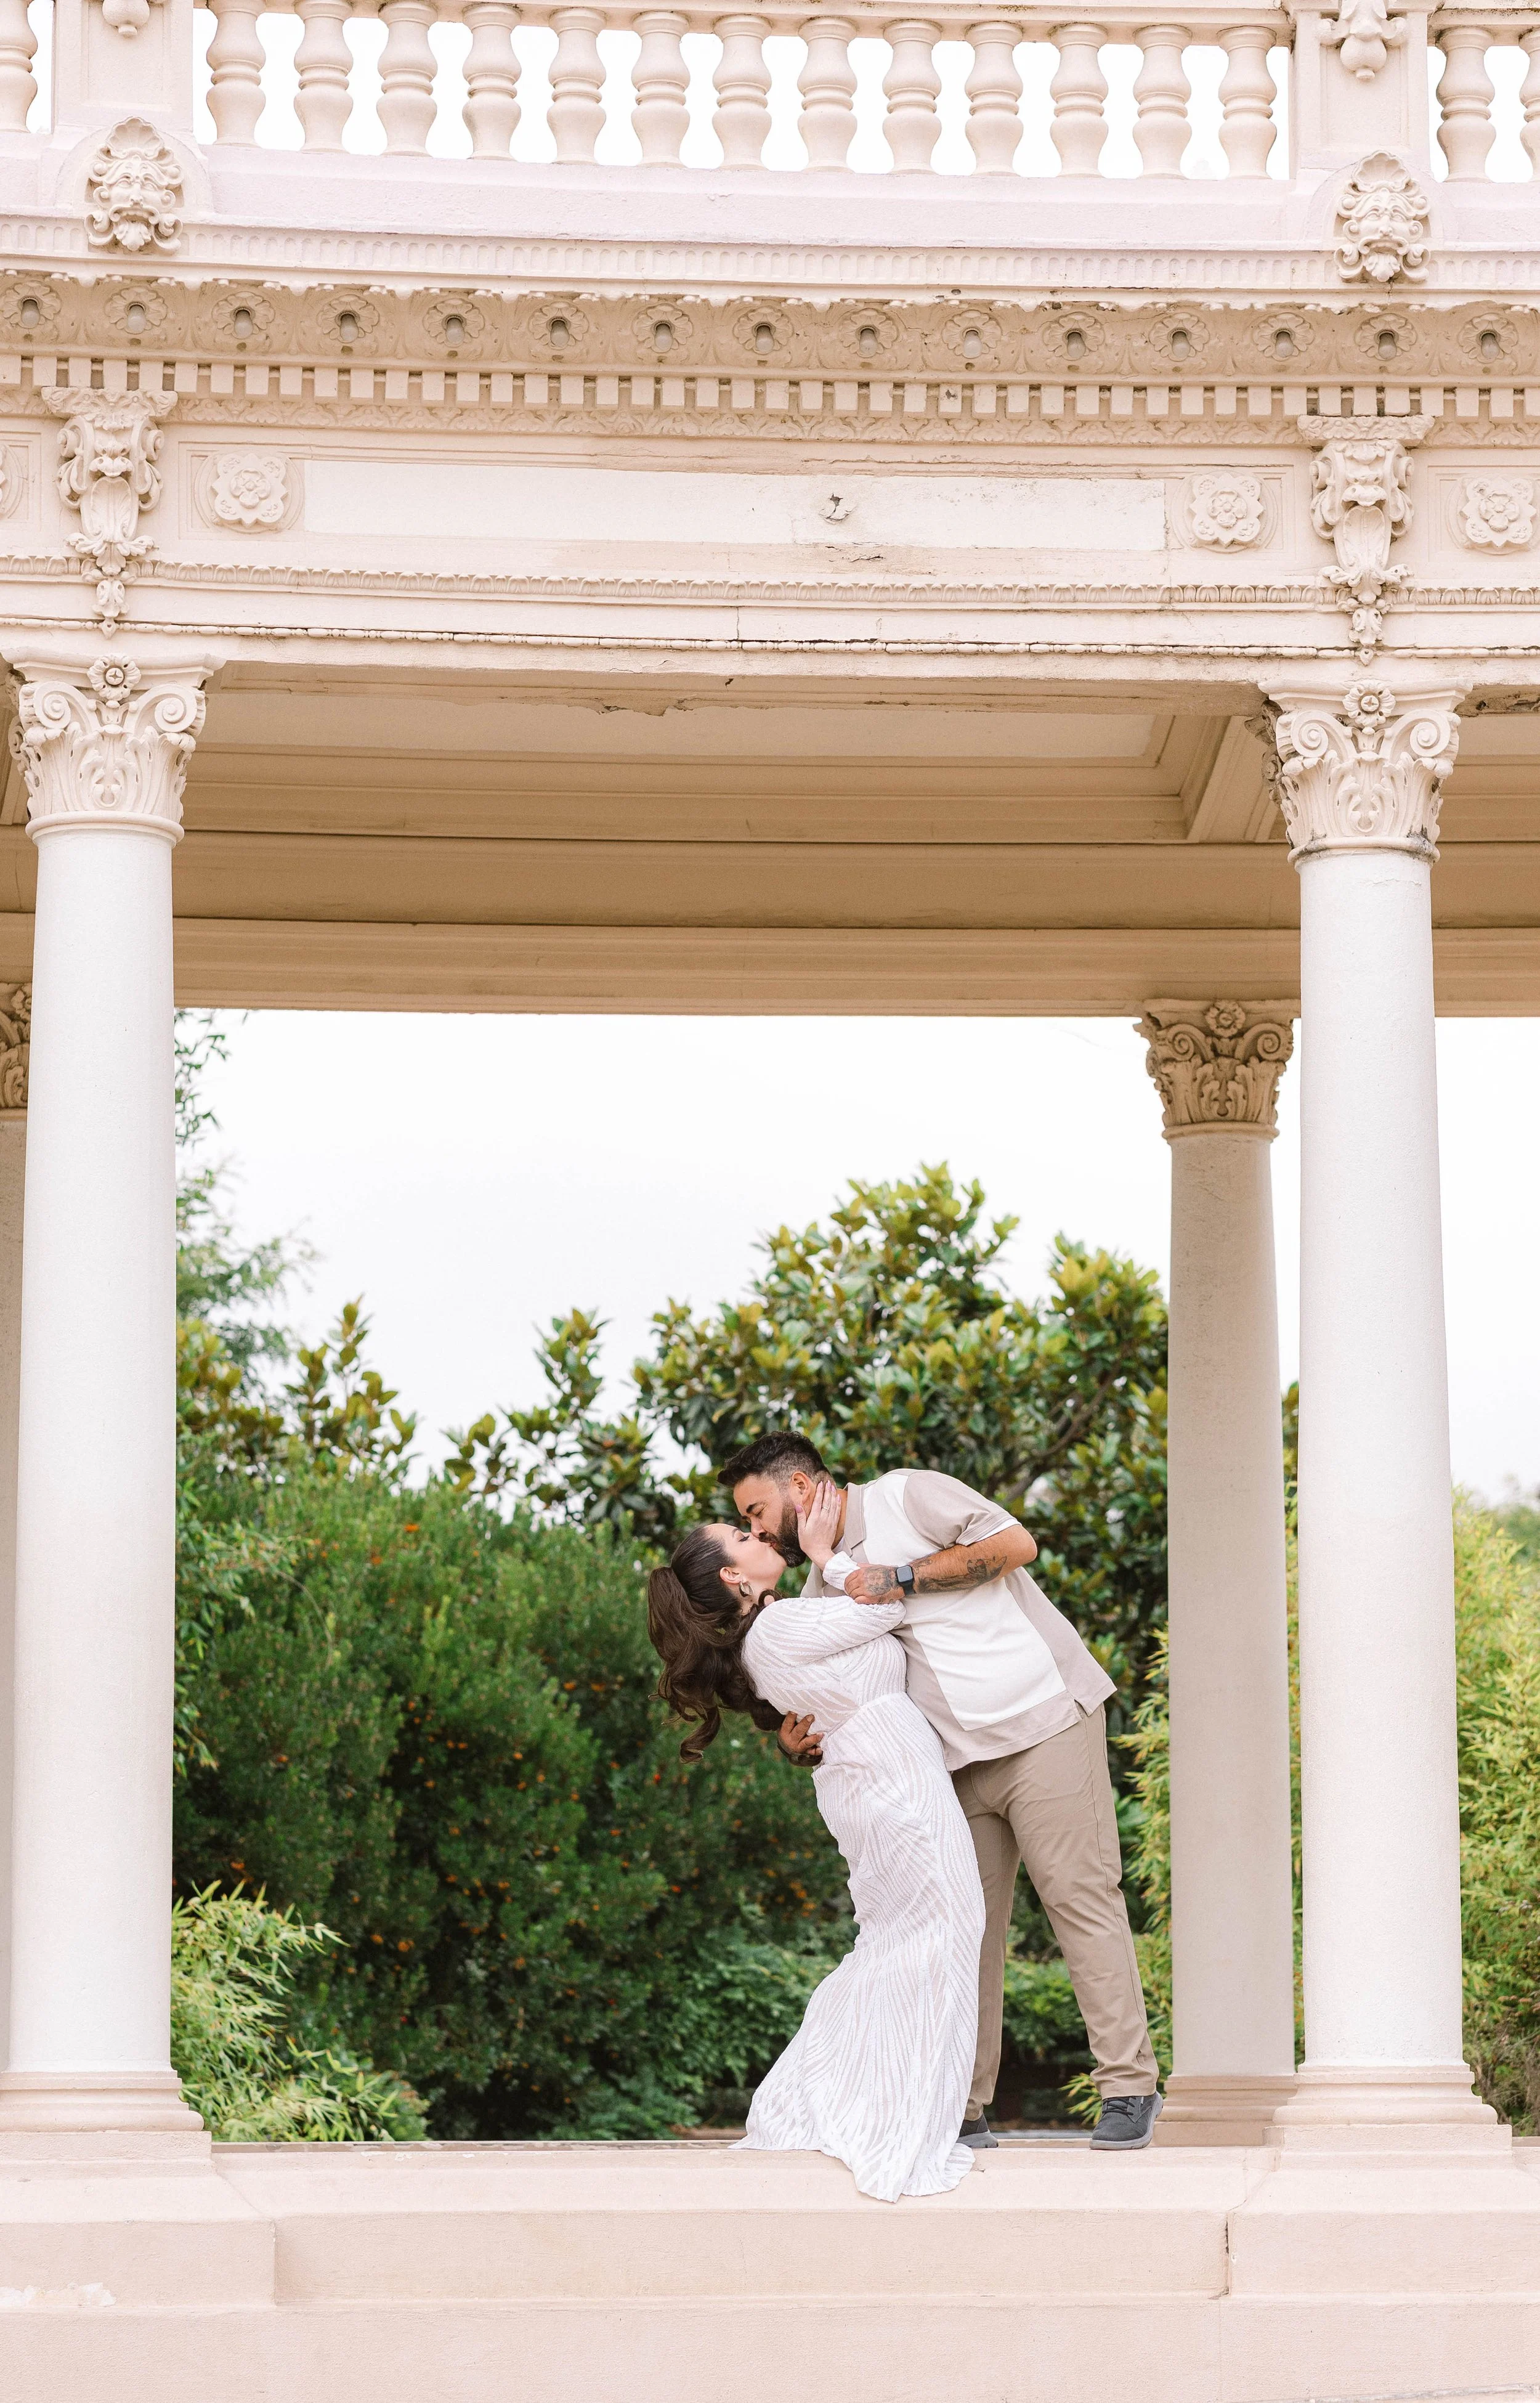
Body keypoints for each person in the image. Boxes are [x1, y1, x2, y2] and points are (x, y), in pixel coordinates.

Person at [724, 1432, 1162, 2153]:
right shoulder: (814, 1583)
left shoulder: (907, 1493)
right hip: (951, 1767)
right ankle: (961, 2106)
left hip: (1044, 1721)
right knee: (963, 1928)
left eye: (759, 1509)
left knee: (1080, 1900)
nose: (759, 1530)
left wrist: (893, 1575)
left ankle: (1128, 2088)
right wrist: (786, 1739)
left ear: (801, 1488)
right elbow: (813, 1682)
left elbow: (1015, 1544)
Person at [646, 1490, 986, 2203]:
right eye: (741, 1535)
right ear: (736, 1579)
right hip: (892, 1783)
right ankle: (876, 2102)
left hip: (876, 1780)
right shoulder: (777, 1630)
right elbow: (887, 1605)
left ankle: (878, 2094)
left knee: (903, 1942)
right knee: (941, 1931)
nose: (757, 1534)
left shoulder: (769, 1634)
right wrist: (831, 1555)